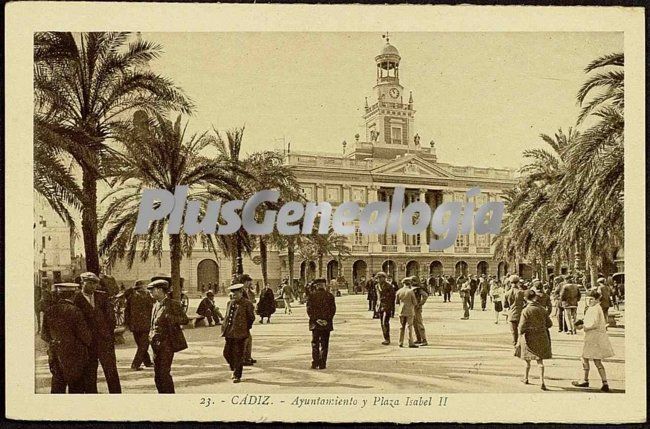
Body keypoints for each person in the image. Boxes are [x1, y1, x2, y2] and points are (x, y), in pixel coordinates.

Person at [74, 272, 121, 393]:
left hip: (105, 341)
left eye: (95, 284)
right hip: (87, 344)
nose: (93, 286)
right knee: (90, 374)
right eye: (89, 283)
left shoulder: (102, 296)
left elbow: (111, 318)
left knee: (111, 372)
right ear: (82, 283)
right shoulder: (76, 299)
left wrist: (108, 334)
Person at [41, 283, 92, 393]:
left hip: (56, 354)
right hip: (75, 355)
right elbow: (85, 336)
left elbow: (43, 334)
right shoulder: (75, 311)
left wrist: (54, 342)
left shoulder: (49, 311)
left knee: (57, 386)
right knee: (76, 387)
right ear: (73, 296)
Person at [147, 279, 189, 393]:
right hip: (155, 345)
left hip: (167, 344)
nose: (150, 292)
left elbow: (185, 320)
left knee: (164, 373)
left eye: (152, 290)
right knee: (157, 375)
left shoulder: (173, 304)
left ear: (160, 290)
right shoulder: (155, 305)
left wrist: (171, 318)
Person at [572, 290, 615, 392]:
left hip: (593, 338)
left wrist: (583, 326)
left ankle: (588, 381)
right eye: (587, 299)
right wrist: (583, 321)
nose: (589, 301)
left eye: (591, 299)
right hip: (593, 338)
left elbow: (594, 324)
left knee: (589, 359)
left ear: (597, 300)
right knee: (589, 359)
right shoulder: (594, 308)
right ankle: (602, 382)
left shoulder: (595, 309)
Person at [516, 290, 553, 391]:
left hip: (529, 337)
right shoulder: (542, 308)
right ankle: (542, 381)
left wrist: (519, 337)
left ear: (525, 298)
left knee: (527, 361)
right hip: (542, 336)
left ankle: (526, 378)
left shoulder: (526, 310)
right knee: (540, 361)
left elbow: (521, 327)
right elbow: (549, 324)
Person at [222, 283, 255, 383]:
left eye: (236, 293)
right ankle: (234, 368)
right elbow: (227, 317)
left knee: (238, 355)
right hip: (229, 332)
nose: (233, 295)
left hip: (241, 333)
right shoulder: (230, 303)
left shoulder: (247, 304)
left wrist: (245, 328)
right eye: (232, 293)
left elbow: (251, 318)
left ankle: (237, 375)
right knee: (226, 353)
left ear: (241, 293)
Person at [124, 280, 154, 371]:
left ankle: (147, 362)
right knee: (143, 345)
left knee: (141, 344)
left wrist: (128, 324)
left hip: (135, 326)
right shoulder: (148, 297)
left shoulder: (131, 297)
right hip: (145, 325)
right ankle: (135, 364)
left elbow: (126, 312)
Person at [307, 278, 336, 369]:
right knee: (325, 343)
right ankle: (323, 363)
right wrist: (326, 320)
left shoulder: (312, 296)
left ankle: (315, 362)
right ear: (324, 285)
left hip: (315, 324)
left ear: (316, 286)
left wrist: (316, 320)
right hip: (326, 324)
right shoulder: (330, 296)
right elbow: (333, 310)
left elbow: (309, 310)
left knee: (315, 343)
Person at [239, 274, 257, 366]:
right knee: (246, 339)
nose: (250, 283)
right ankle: (244, 358)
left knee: (248, 338)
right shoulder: (241, 291)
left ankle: (247, 357)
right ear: (245, 282)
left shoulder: (246, 290)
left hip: (246, 318)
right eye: (249, 282)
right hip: (243, 319)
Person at [395, 277, 418, 348]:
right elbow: (415, 302)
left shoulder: (399, 291)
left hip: (401, 310)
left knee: (401, 327)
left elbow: (397, 302)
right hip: (409, 311)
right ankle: (410, 342)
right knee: (409, 327)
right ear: (410, 283)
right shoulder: (410, 291)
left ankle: (400, 342)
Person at [504, 275, 525, 346]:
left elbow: (505, 305)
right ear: (518, 282)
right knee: (522, 331)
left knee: (514, 332)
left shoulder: (507, 293)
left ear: (510, 282)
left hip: (511, 314)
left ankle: (515, 345)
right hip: (520, 314)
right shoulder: (521, 292)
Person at [375, 272, 395, 345]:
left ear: (384, 278)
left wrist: (392, 309)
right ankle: (385, 338)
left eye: (380, 277)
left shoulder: (389, 286)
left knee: (385, 322)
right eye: (378, 278)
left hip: (387, 306)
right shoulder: (377, 286)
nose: (379, 279)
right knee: (382, 323)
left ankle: (387, 339)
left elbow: (393, 298)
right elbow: (377, 297)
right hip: (380, 306)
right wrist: (377, 306)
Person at [412, 281, 429, 346]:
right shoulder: (414, 289)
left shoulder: (418, 289)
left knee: (419, 323)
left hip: (416, 308)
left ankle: (424, 339)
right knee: (414, 324)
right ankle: (418, 339)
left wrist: (420, 304)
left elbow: (425, 295)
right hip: (412, 308)